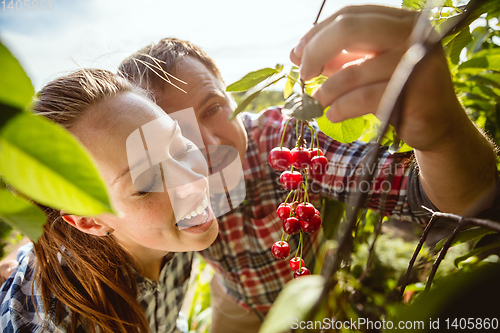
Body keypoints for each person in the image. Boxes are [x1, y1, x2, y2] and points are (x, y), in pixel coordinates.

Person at [117, 5, 499, 332]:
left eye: (213, 107)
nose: (209, 144)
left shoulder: (284, 146)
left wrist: (441, 134)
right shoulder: (156, 189)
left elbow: (447, 200)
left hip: (309, 296)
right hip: (235, 302)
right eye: (177, 132)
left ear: (233, 96)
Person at [0, 69, 219, 333]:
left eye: (180, 147)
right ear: (88, 221)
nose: (195, 182)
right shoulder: (55, 323)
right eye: (146, 183)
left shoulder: (170, 231)